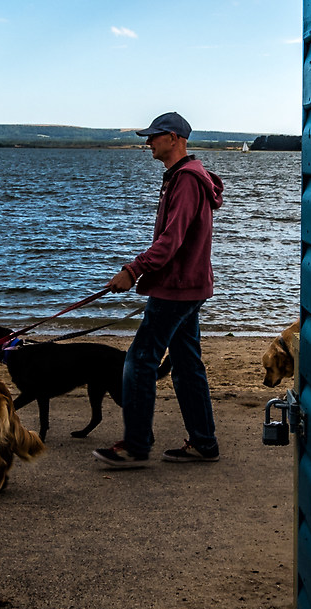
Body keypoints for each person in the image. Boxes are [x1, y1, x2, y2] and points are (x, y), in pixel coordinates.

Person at [95, 111, 225, 466]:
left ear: (175, 138)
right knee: (186, 365)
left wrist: (132, 270)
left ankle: (136, 445)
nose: (148, 142)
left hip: (176, 287)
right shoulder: (182, 178)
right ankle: (204, 443)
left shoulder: (185, 180)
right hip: (189, 285)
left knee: (139, 361)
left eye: (154, 136)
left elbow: (171, 242)